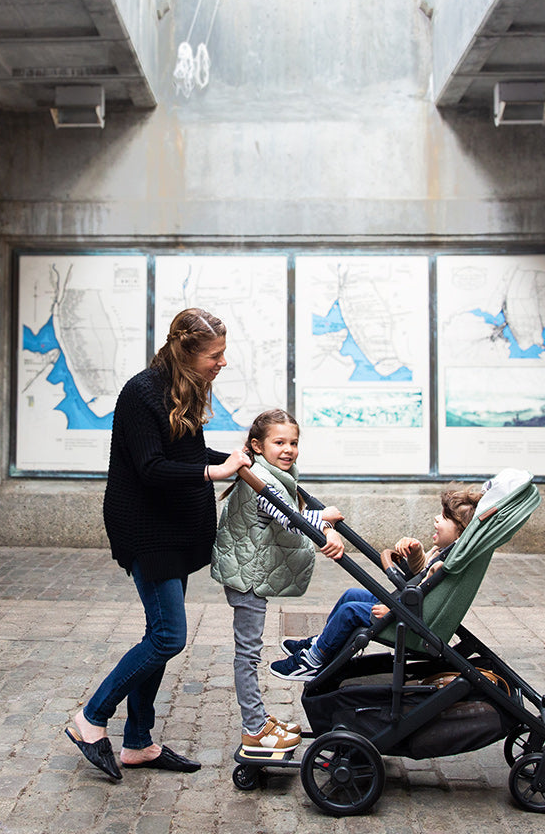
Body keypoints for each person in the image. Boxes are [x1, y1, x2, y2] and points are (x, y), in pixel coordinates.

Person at [65, 308, 251, 781]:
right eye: (216, 354)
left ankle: (139, 743)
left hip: (175, 528)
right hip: (145, 528)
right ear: (187, 352)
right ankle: (90, 719)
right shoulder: (141, 392)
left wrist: (232, 460)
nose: (222, 362)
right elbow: (150, 467)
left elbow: (184, 456)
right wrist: (214, 471)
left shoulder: (183, 388)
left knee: (159, 634)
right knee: (168, 635)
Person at [210, 410, 345, 755]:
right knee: (248, 655)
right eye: (279, 442)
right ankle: (254, 728)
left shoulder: (268, 474)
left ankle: (259, 721)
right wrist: (325, 518)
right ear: (258, 445)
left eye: (294, 443)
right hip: (247, 579)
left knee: (249, 653)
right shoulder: (263, 482)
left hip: (249, 573)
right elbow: (290, 519)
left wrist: (323, 524)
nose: (288, 450)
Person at [270, 484, 485, 681]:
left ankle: (313, 660)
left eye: (445, 517)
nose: (437, 519)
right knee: (351, 595)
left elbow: (424, 593)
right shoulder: (444, 552)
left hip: (409, 621)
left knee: (350, 611)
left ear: (462, 531)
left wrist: (394, 609)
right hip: (408, 610)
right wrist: (416, 552)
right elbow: (420, 576)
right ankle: (322, 643)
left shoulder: (445, 563)